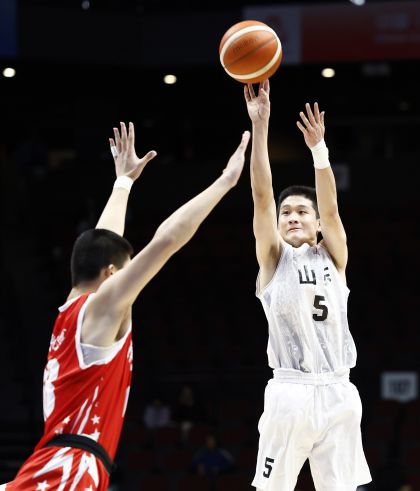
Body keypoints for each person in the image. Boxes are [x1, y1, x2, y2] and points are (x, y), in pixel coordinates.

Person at [0, 122, 250, 491]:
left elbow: (105, 242)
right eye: (126, 271)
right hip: (70, 469)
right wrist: (225, 182)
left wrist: (123, 183)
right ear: (113, 274)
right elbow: (166, 240)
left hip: (57, 462)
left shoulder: (73, 308)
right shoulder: (101, 306)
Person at [243, 80, 372, 491]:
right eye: (286, 213)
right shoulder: (273, 259)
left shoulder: (334, 256)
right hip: (290, 391)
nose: (292, 217)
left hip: (339, 390)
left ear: (316, 225)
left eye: (301, 211)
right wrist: (260, 125)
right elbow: (261, 197)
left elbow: (331, 210)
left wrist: (320, 152)